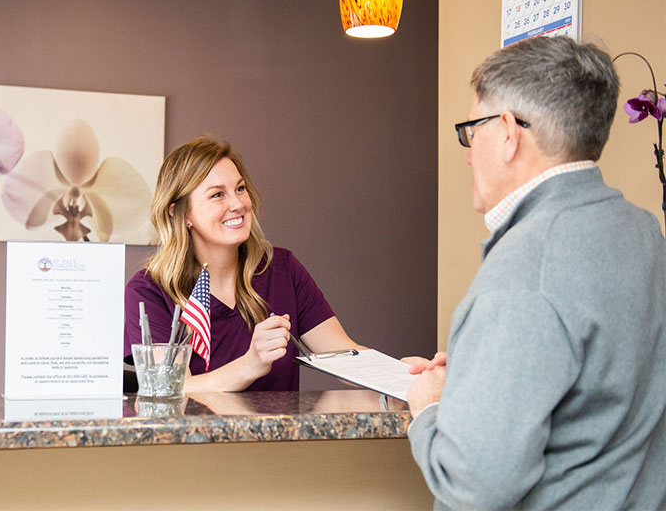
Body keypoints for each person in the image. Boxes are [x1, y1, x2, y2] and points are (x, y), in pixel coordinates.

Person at [403, 36, 666, 510]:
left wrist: (430, 408)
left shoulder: (526, 269)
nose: (467, 153)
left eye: (471, 131)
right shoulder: (645, 233)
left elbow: (475, 485)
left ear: (507, 132)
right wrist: (480, 369)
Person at [124, 136, 359, 391]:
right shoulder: (148, 291)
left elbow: (344, 357)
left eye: (240, 188)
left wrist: (403, 375)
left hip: (281, 431)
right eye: (217, 195)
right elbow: (165, 388)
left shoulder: (283, 269)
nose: (238, 204)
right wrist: (249, 364)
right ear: (180, 213)